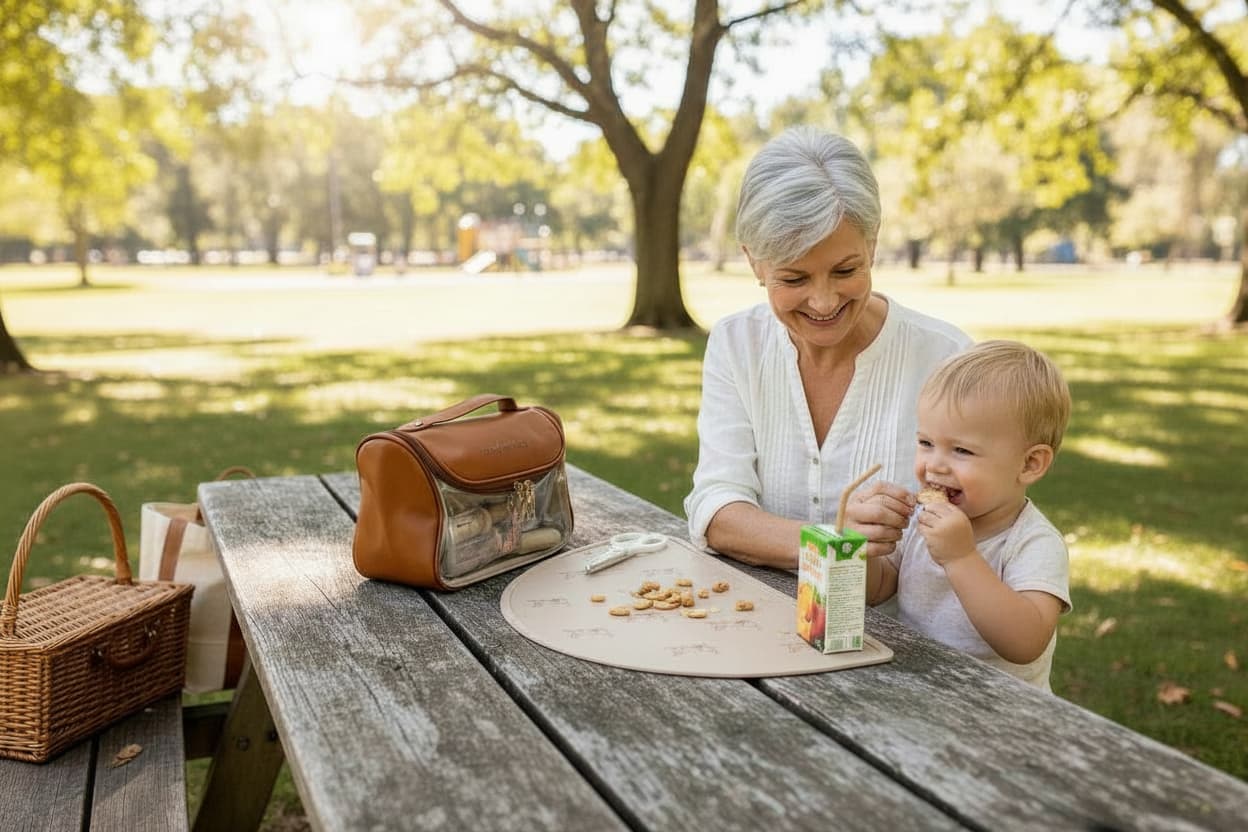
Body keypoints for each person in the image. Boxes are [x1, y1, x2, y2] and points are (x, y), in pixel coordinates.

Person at [684, 126, 971, 568]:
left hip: (906, 635)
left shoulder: (947, 360)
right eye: (794, 278)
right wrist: (837, 540)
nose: (823, 302)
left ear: (872, 245)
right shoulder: (736, 343)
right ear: (754, 262)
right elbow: (718, 510)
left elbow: (988, 528)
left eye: (845, 270)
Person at [856, 340, 1073, 690]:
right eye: (926, 443)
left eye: (961, 450)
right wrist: (868, 550)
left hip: (998, 710)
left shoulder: (1032, 542)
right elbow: (880, 589)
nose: (934, 465)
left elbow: (1025, 642)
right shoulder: (920, 517)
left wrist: (961, 557)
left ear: (1029, 463)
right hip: (918, 687)